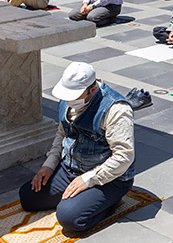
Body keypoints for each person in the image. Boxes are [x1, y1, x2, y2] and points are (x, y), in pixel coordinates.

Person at [19, 62, 135, 232]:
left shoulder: (116, 109)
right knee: (27, 197)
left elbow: (124, 157)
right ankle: (80, 199)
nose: (69, 100)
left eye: (74, 96)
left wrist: (87, 180)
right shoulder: (69, 99)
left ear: (92, 90)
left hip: (109, 179)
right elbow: (62, 133)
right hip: (70, 169)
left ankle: (110, 203)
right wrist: (49, 166)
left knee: (70, 218)